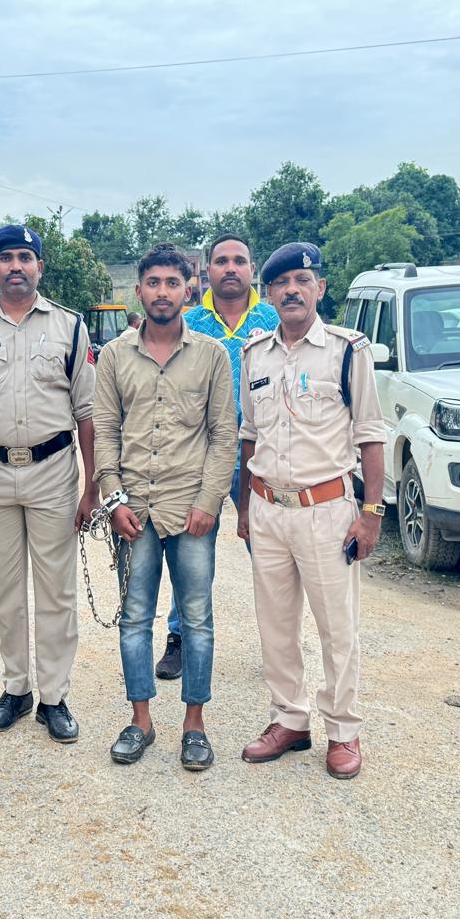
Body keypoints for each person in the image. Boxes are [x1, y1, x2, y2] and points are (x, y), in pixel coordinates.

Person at [0, 224, 99, 744]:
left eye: (25, 258)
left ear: (39, 267)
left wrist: (91, 488)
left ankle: (54, 696)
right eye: (6, 258)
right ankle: (16, 689)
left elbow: (88, 413)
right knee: (5, 591)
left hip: (54, 472)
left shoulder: (70, 328)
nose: (16, 266)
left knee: (56, 591)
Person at [235, 242, 386, 780]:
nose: (292, 290)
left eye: (302, 280)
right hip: (268, 506)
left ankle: (343, 730)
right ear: (268, 293)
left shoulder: (347, 351)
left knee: (335, 626)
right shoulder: (255, 354)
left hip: (326, 508)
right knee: (275, 624)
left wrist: (371, 513)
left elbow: (370, 434)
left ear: (320, 288)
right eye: (281, 283)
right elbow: (249, 434)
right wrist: (246, 507)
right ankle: (289, 719)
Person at [93, 242, 237, 771]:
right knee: (134, 618)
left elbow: (225, 434)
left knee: (196, 620)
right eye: (152, 282)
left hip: (191, 509)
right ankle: (140, 720)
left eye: (172, 283)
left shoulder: (212, 355)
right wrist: (112, 499)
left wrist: (209, 501)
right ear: (140, 290)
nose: (162, 292)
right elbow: (105, 430)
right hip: (133, 510)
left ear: (188, 290)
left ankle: (194, 726)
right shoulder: (113, 356)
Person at [155, 233, 280, 680]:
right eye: (221, 260)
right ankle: (180, 637)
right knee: (191, 553)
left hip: (260, 453)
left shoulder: (273, 318)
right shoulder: (187, 322)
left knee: (266, 553)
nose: (231, 268)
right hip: (198, 455)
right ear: (205, 270)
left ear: (253, 269)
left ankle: (278, 644)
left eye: (239, 260)